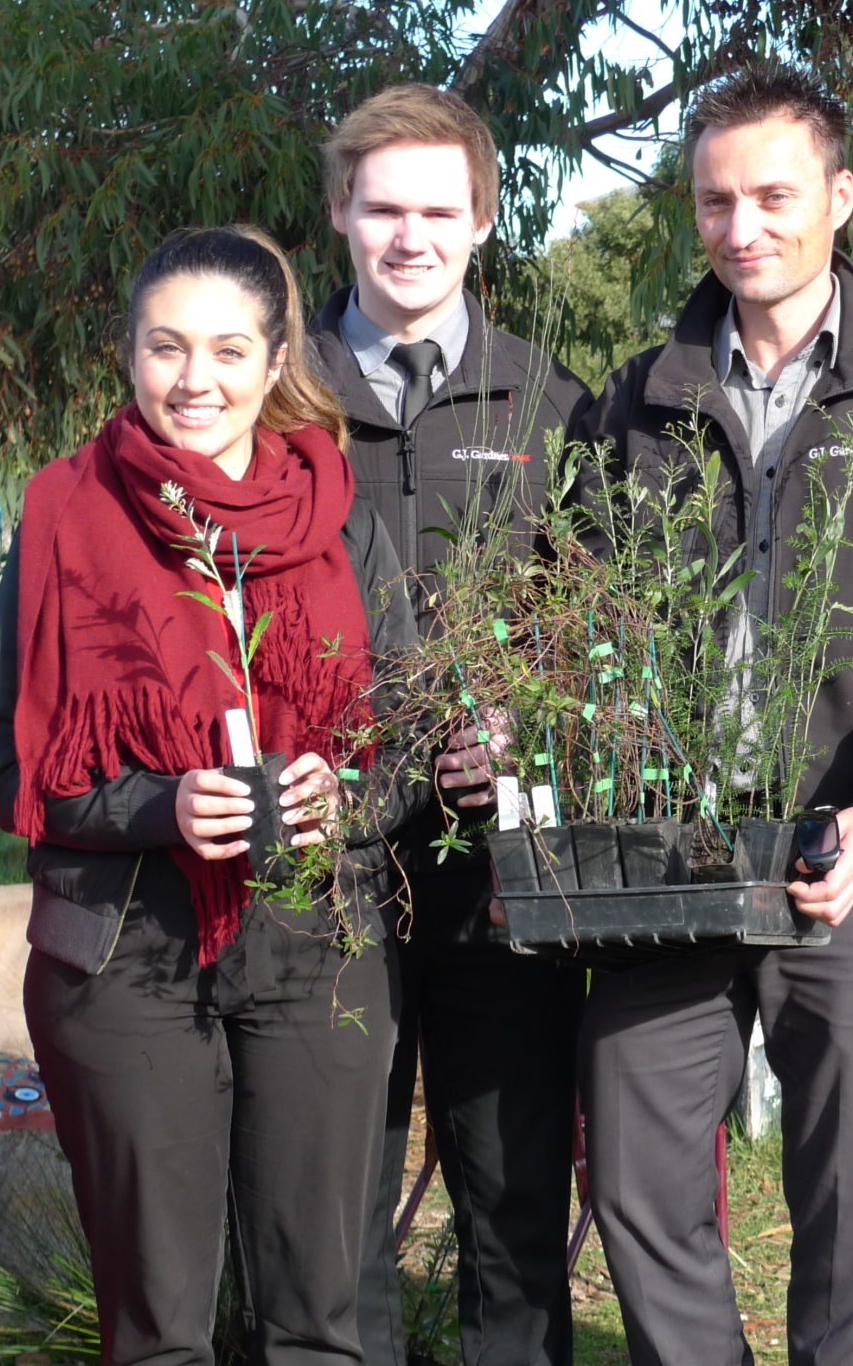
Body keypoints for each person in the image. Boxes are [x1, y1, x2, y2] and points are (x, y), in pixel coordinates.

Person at [575, 62, 853, 1365]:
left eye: (774, 193)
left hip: (851, 856)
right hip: (671, 849)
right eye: (717, 199)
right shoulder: (639, 398)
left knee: (848, 1214)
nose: (743, 225)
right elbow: (586, 610)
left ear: (840, 197)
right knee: (640, 1186)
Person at [0, 225, 416, 1364]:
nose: (195, 379)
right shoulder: (63, 514)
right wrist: (156, 806)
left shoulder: (339, 520)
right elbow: (15, 774)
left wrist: (345, 797)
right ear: (128, 354)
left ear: (274, 363)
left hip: (314, 936)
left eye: (228, 350)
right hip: (123, 948)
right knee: (158, 1326)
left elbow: (408, 744)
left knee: (318, 1318)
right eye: (167, 348)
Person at [311, 83, 595, 1366]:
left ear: (483, 218)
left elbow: (602, 627)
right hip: (327, 867)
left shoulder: (554, 405)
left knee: (512, 1189)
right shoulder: (276, 393)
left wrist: (536, 744)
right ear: (339, 215)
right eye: (384, 208)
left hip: (498, 868)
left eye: (438, 208)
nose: (409, 235)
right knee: (330, 1203)